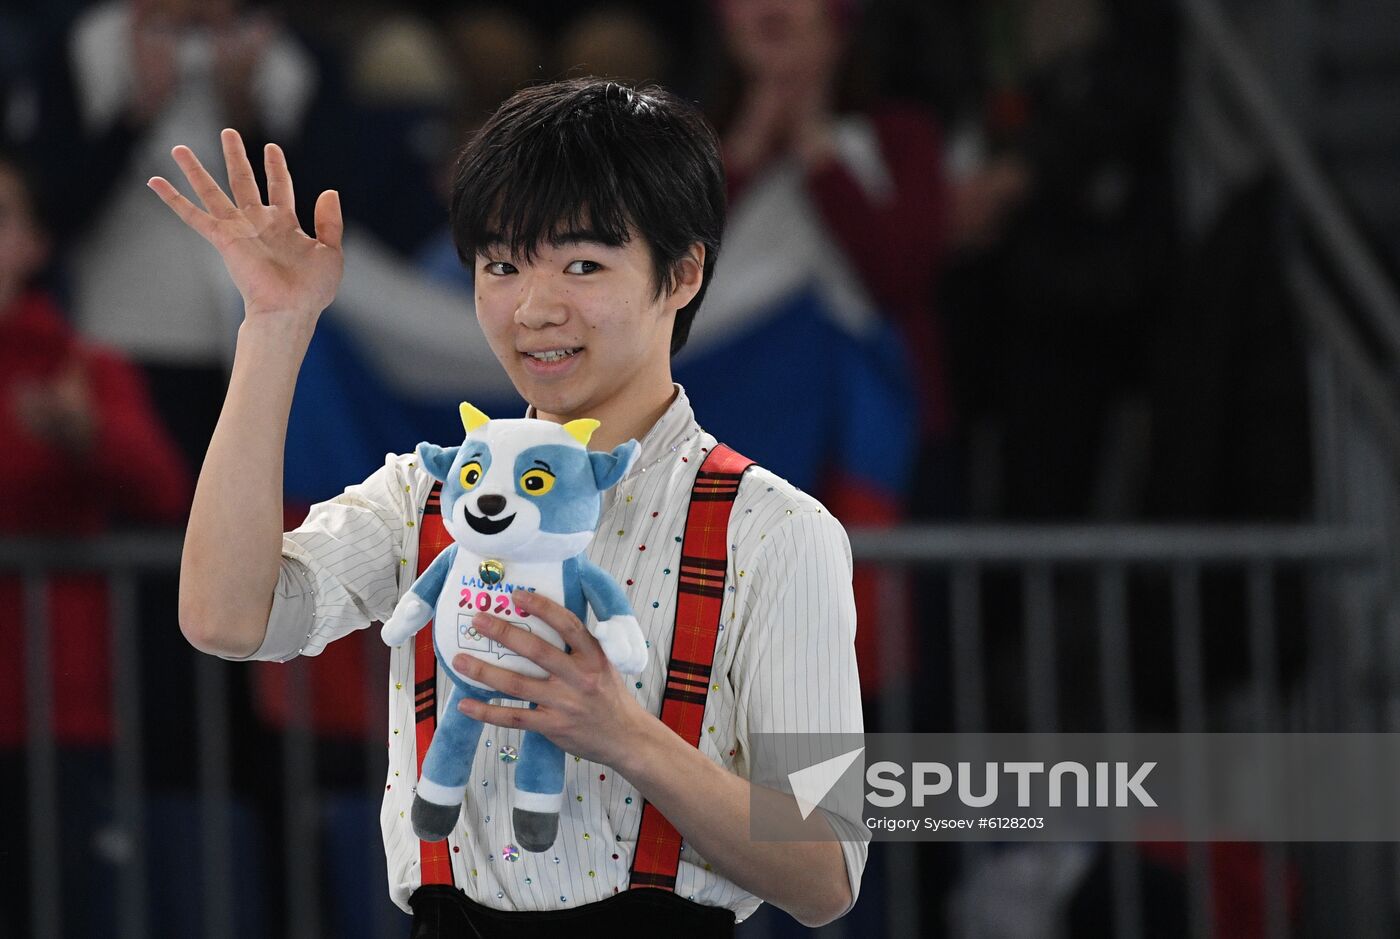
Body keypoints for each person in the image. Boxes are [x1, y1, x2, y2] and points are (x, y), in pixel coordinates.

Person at [154, 78, 865, 935]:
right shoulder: (426, 492)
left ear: (682, 274)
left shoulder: (776, 530)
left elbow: (827, 869)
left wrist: (625, 735)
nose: (534, 308)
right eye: (501, 265)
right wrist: (275, 322)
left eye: (583, 265)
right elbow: (227, 618)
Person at [0, 149, 192, 938]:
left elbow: (167, 492)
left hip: (54, 719)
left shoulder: (85, 366)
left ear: (35, 245)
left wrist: (89, 435)